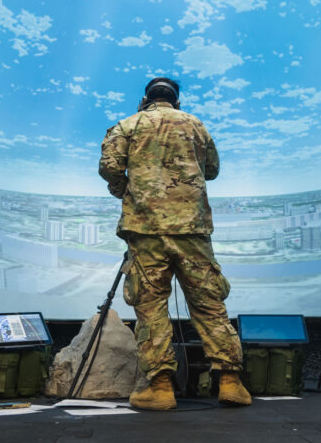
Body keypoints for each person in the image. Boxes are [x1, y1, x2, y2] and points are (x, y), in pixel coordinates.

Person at [98, 77, 251, 410]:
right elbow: (212, 170)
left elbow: (110, 166)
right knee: (209, 303)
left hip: (146, 231)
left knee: (151, 307)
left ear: (145, 99)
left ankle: (161, 388)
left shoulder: (128, 125)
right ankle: (231, 382)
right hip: (192, 229)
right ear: (176, 101)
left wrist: (125, 190)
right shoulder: (195, 125)